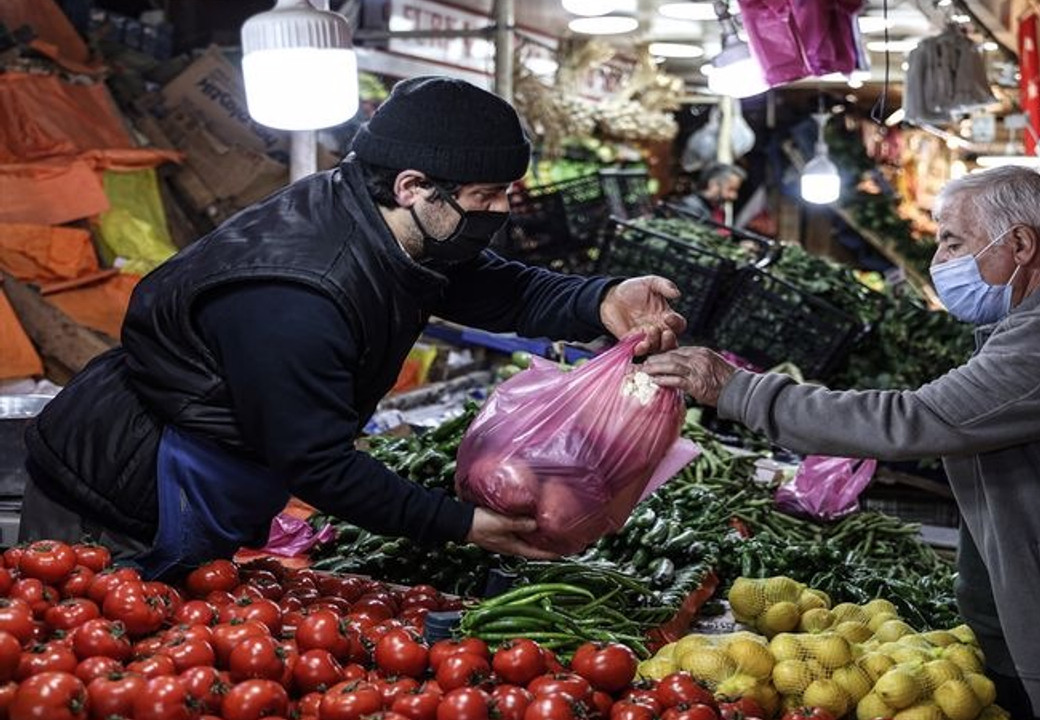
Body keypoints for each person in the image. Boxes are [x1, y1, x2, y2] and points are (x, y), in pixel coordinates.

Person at [21, 77, 686, 579]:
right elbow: (317, 464)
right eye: (485, 197)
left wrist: (601, 299)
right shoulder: (299, 294)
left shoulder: (381, 221)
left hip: (211, 459)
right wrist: (461, 524)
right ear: (412, 186)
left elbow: (487, 282)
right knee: (98, 647)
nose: (502, 211)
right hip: (120, 486)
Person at [642, 167, 1040, 720]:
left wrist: (737, 390)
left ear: (1019, 243)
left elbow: (912, 420)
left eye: (952, 241)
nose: (938, 261)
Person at [668, 163, 745, 224]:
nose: (734, 196)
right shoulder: (691, 207)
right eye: (730, 189)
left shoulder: (717, 211)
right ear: (713, 184)